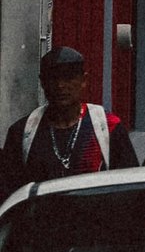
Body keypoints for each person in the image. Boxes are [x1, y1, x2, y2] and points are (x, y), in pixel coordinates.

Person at [0, 48, 137, 198]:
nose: (60, 85)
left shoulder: (108, 127)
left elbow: (130, 192)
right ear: (43, 83)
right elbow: (9, 195)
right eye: (53, 78)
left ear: (83, 80)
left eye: (68, 77)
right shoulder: (21, 133)